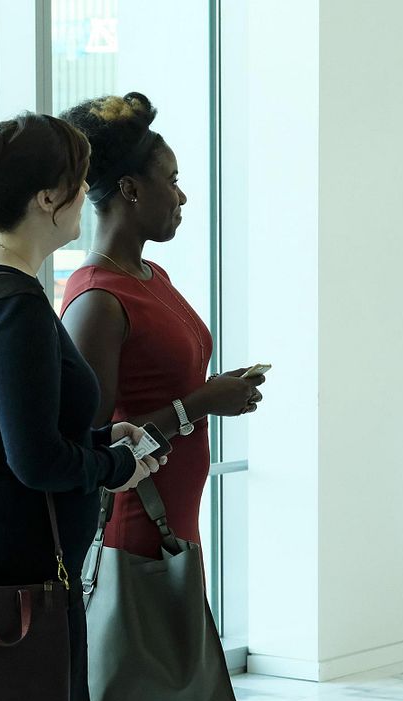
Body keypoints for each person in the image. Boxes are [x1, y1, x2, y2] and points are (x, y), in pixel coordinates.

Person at [0, 113, 161, 701]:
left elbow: (4, 431)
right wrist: (114, 464)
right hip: (12, 571)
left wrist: (100, 435)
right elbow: (35, 461)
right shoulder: (15, 306)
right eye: (80, 183)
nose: (85, 199)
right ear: (49, 197)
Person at [59, 92, 265, 560]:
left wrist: (209, 393)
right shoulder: (98, 299)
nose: (183, 195)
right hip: (135, 526)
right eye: (172, 180)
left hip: (173, 524)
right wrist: (201, 403)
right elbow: (88, 447)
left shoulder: (151, 277)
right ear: (131, 189)